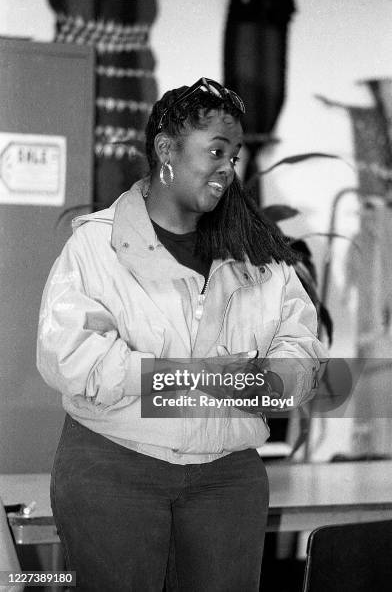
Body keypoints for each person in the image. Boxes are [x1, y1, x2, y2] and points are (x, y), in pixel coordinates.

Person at [37, 77, 326, 592]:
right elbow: (72, 360)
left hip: (228, 478)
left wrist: (274, 379)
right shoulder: (94, 248)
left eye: (233, 156)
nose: (227, 168)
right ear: (166, 150)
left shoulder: (257, 252)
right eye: (216, 150)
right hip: (115, 469)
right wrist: (195, 379)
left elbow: (301, 344)